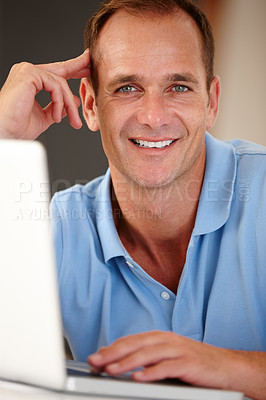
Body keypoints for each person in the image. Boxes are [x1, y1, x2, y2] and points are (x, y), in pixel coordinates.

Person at [0, 0, 266, 398]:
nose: (154, 116)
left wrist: (229, 368)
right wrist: (2, 141)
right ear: (90, 105)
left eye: (178, 86)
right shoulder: (56, 229)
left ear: (210, 102)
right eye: (128, 88)